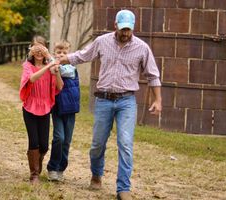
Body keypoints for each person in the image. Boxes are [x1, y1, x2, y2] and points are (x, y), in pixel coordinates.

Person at [59, 10, 162, 200]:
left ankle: (123, 188)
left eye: (129, 30)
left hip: (126, 101)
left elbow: (153, 75)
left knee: (125, 143)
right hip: (104, 100)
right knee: (97, 144)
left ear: (133, 28)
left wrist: (158, 100)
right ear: (115, 25)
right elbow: (83, 55)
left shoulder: (142, 48)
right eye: (122, 29)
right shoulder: (102, 41)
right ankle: (96, 174)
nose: (125, 33)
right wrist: (64, 58)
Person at [19, 35, 64, 184]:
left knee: (44, 145)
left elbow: (60, 86)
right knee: (34, 141)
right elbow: (32, 78)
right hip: (30, 107)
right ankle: (34, 174)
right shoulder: (27, 66)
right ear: (31, 49)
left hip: (45, 108)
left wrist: (54, 67)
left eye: (41, 48)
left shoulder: (51, 66)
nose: (38, 52)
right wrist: (48, 65)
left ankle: (36, 163)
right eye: (35, 48)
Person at [46, 41, 80, 181]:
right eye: (59, 52)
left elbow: (63, 72)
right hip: (58, 106)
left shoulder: (71, 67)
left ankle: (61, 168)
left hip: (70, 108)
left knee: (67, 141)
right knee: (59, 137)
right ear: (54, 52)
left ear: (69, 54)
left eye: (65, 52)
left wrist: (55, 66)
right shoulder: (52, 64)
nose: (61, 55)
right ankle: (52, 167)